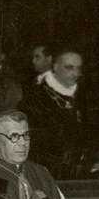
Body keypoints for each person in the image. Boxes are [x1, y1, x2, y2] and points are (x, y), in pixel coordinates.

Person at [21, 46, 88, 179]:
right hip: (46, 171)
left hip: (79, 172)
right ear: (56, 67)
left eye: (78, 68)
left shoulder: (86, 94)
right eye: (69, 67)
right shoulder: (36, 96)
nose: (76, 73)